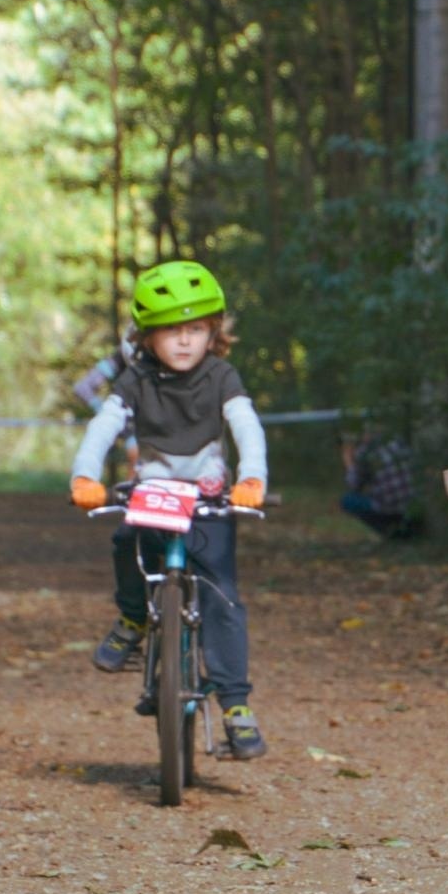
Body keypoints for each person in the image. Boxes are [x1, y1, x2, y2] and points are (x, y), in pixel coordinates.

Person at [68, 260, 270, 760]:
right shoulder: (136, 380)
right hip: (153, 494)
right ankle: (135, 617)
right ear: (146, 337)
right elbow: (103, 427)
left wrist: (252, 477)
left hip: (208, 502)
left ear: (213, 332)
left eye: (196, 329)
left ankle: (235, 705)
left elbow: (245, 424)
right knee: (125, 543)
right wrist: (84, 475)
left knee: (222, 595)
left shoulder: (221, 376)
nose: (184, 341)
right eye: (171, 331)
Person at [72, 332, 140, 476]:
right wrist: (110, 414)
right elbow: (83, 388)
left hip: (138, 428)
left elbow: (82, 388)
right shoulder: (123, 355)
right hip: (135, 428)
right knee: (137, 472)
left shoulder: (120, 355)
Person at [340, 424, 420, 540]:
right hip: (413, 505)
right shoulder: (400, 443)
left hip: (388, 508)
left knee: (348, 500)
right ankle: (408, 530)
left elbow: (354, 484)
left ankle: (391, 533)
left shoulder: (365, 453)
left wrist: (348, 462)